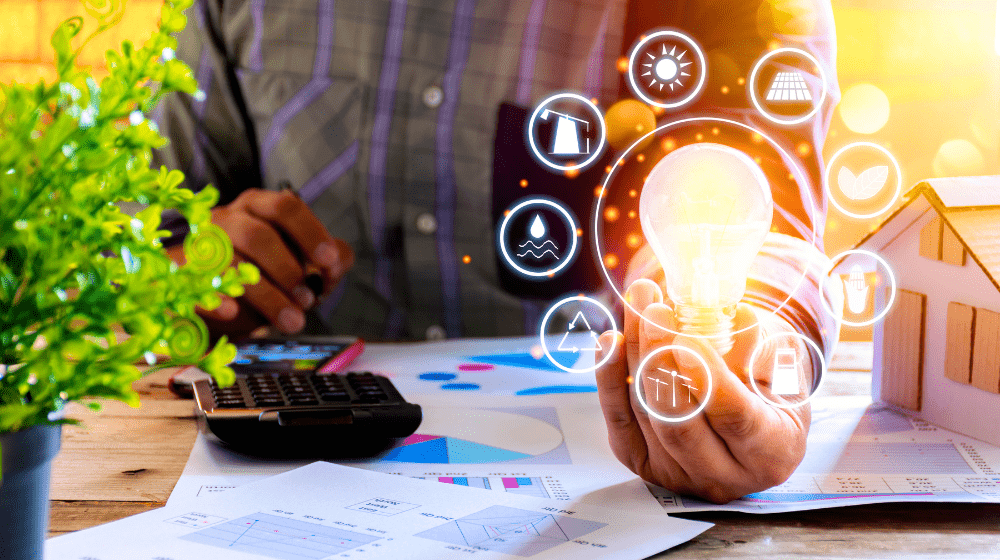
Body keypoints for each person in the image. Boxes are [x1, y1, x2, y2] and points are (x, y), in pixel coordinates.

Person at [154, 0, 840, 503]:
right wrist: (187, 271)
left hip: (593, 464)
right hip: (280, 457)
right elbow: (147, 230)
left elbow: (767, 203)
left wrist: (758, 339)